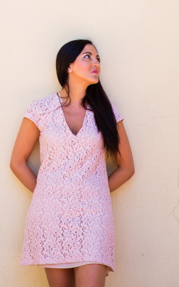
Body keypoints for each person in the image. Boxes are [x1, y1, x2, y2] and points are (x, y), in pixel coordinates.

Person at [10, 39, 134, 287]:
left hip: (94, 217)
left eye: (98, 58)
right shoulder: (40, 110)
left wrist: (92, 192)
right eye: (88, 56)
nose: (96, 63)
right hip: (50, 216)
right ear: (68, 65)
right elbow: (17, 162)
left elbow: (127, 167)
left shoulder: (106, 112)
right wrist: (50, 193)